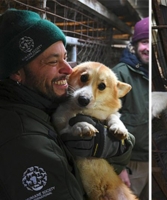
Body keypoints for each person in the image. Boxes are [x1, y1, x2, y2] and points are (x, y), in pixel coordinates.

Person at [0, 9, 134, 199]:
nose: (68, 69)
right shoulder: (23, 139)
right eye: (53, 61)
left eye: (65, 57)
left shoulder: (45, 104)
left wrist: (118, 146)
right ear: (17, 73)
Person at [112, 17, 149, 199]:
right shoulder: (120, 74)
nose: (148, 48)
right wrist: (117, 166)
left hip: (153, 155)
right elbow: (104, 120)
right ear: (134, 45)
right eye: (144, 42)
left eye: (152, 42)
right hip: (131, 161)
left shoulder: (154, 73)